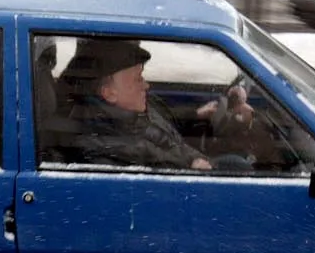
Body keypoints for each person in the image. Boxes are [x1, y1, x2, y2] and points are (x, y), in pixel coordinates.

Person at [62, 39, 217, 170]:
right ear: (109, 93)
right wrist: (192, 167)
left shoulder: (132, 112)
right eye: (138, 78)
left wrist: (196, 115)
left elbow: (167, 131)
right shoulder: (102, 148)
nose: (146, 85)